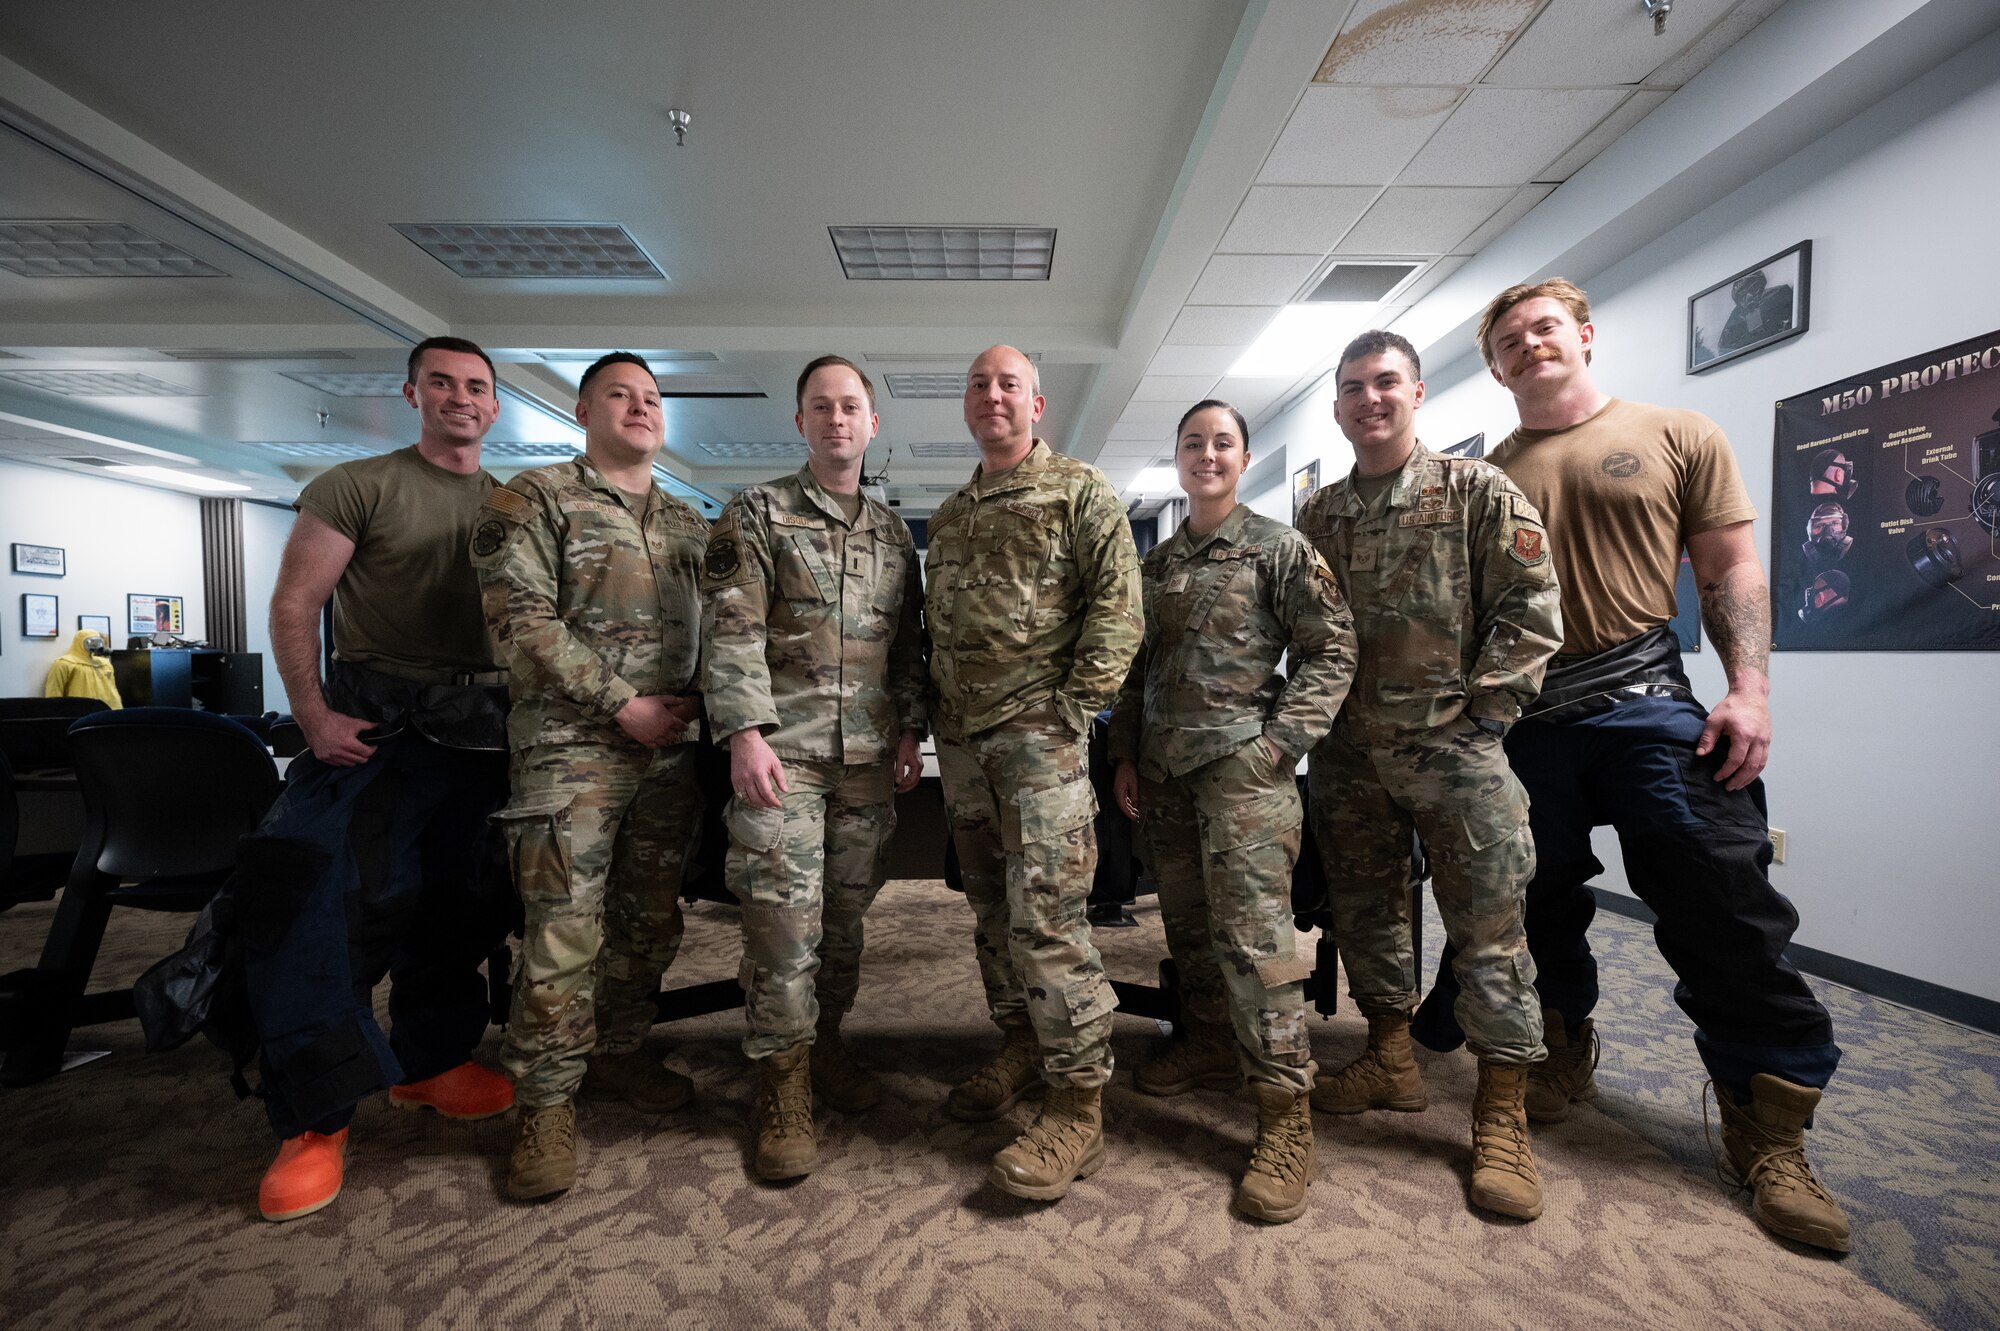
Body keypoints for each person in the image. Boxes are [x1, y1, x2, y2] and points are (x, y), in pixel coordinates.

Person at [1413, 278, 1850, 1253]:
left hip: (1643, 701)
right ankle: (1558, 1038)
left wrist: (1749, 690)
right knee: (1525, 902)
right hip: (1522, 719)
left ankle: (1766, 1122)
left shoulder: (1674, 431)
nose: (1529, 344)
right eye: (1508, 337)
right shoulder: (1472, 480)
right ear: (1491, 364)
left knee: (1717, 886)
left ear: (1582, 336)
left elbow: (1728, 565)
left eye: (1544, 327)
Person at [243, 336, 517, 1222]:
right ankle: (315, 1121)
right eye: (443, 383)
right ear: (412, 393)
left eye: (477, 387)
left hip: (480, 737)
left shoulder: (514, 500)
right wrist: (313, 715)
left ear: (496, 406)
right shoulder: (356, 484)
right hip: (375, 733)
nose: (460, 398)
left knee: (459, 905)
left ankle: (432, 1064)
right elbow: (295, 604)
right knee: (341, 909)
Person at [1295, 331, 1563, 1221]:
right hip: (1347, 756)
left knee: (1488, 928)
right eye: (1352, 387)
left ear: (1416, 393)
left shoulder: (1475, 490)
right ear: (1336, 407)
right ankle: (1391, 1056)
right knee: (1364, 911)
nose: (1369, 399)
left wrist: (1487, 712)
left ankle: (1501, 1109)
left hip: (1454, 754)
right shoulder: (1320, 516)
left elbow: (1530, 607)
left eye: (1385, 383)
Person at [1108, 400, 1355, 1223]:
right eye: (1191, 442)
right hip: (1169, 778)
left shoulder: (1278, 547)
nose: (1206, 454)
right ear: (1176, 456)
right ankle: (1211, 1040)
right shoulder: (1159, 563)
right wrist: (1127, 755)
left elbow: (1333, 648)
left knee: (1260, 945)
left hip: (1245, 775)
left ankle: (1287, 1114)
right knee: (1187, 928)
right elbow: (1139, 672)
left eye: (1222, 442)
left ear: (1244, 457)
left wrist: (1283, 744)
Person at [471, 352, 710, 1201]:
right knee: (562, 929)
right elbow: (521, 622)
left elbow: (719, 628)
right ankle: (543, 1100)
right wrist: (621, 703)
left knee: (648, 920)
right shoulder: (535, 499)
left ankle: (617, 1050)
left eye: (652, 398)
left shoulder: (689, 521)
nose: (641, 407)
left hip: (669, 754)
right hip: (571, 750)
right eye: (621, 394)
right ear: (582, 407)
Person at [699, 355, 927, 1180]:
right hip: (782, 758)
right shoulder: (755, 513)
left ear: (873, 424)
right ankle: (781, 1084)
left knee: (844, 925)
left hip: (868, 761)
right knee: (781, 931)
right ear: (799, 422)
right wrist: (746, 733)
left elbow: (908, 647)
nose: (837, 419)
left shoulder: (894, 534)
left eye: (851, 407)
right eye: (821, 407)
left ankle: (822, 1045)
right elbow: (730, 632)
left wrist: (908, 732)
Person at [926, 345, 1142, 1201]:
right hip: (964, 748)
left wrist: (1070, 709)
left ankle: (1079, 1104)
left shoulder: (1080, 491)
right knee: (990, 913)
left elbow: (1119, 609)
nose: (991, 395)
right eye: (977, 383)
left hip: (1039, 741)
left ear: (1037, 403)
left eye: (1007, 383)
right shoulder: (949, 514)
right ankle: (1020, 1043)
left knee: (1050, 922)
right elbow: (933, 629)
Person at [43, 629, 121, 706]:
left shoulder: (104, 664)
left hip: (107, 710)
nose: (95, 645)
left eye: (98, 642)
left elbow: (112, 689)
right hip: (79, 711)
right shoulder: (64, 664)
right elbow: (54, 692)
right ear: (79, 642)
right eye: (92, 642)